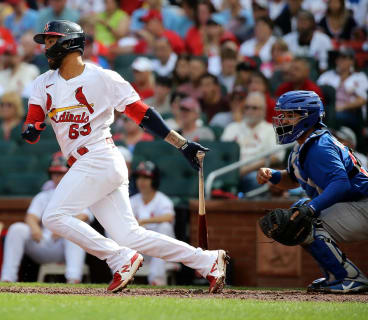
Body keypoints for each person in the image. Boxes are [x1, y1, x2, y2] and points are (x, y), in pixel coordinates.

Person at [22, 20, 228, 293]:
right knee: (129, 235)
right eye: (45, 41)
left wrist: (180, 143)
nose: (46, 47)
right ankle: (208, 260)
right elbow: (32, 124)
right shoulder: (42, 83)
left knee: (54, 216)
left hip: (100, 157)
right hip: (87, 164)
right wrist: (31, 129)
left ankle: (120, 258)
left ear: (69, 42)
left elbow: (142, 114)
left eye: (51, 40)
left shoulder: (103, 77)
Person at [257, 90, 368, 293]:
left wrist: (311, 209)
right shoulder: (304, 145)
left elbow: (340, 184)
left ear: (308, 116)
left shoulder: (320, 146)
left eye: (290, 115)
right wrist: (273, 176)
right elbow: (294, 179)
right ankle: (334, 276)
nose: (283, 119)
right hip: (360, 202)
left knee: (306, 219)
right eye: (283, 114)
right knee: (299, 211)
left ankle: (349, 278)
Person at [1, 153, 92, 283]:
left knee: (75, 230)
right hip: (44, 241)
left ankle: (73, 278)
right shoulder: (44, 195)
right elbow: (31, 217)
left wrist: (62, 228)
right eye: (54, 174)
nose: (57, 177)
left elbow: (84, 216)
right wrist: (34, 228)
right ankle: (7, 278)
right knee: (17, 229)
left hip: (64, 244)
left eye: (61, 174)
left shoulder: (78, 193)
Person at [221, 92, 283, 192]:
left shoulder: (272, 130)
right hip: (228, 173)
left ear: (263, 110)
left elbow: (276, 157)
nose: (250, 111)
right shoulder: (231, 128)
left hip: (255, 173)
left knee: (256, 179)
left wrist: (245, 170)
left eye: (254, 108)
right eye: (247, 107)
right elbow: (221, 154)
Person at [130, 161, 176, 286]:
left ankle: (157, 279)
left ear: (154, 180)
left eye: (146, 178)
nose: (141, 181)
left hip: (161, 253)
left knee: (164, 226)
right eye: (139, 177)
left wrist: (144, 221)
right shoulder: (132, 201)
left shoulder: (162, 199)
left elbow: (169, 216)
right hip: (140, 249)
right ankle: (119, 274)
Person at [316, 47, 368, 134]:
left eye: (344, 57)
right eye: (339, 57)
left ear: (352, 61)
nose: (340, 60)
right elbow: (317, 94)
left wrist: (341, 107)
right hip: (327, 110)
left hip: (350, 113)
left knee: (334, 116)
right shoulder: (326, 76)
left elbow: (362, 100)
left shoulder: (360, 77)